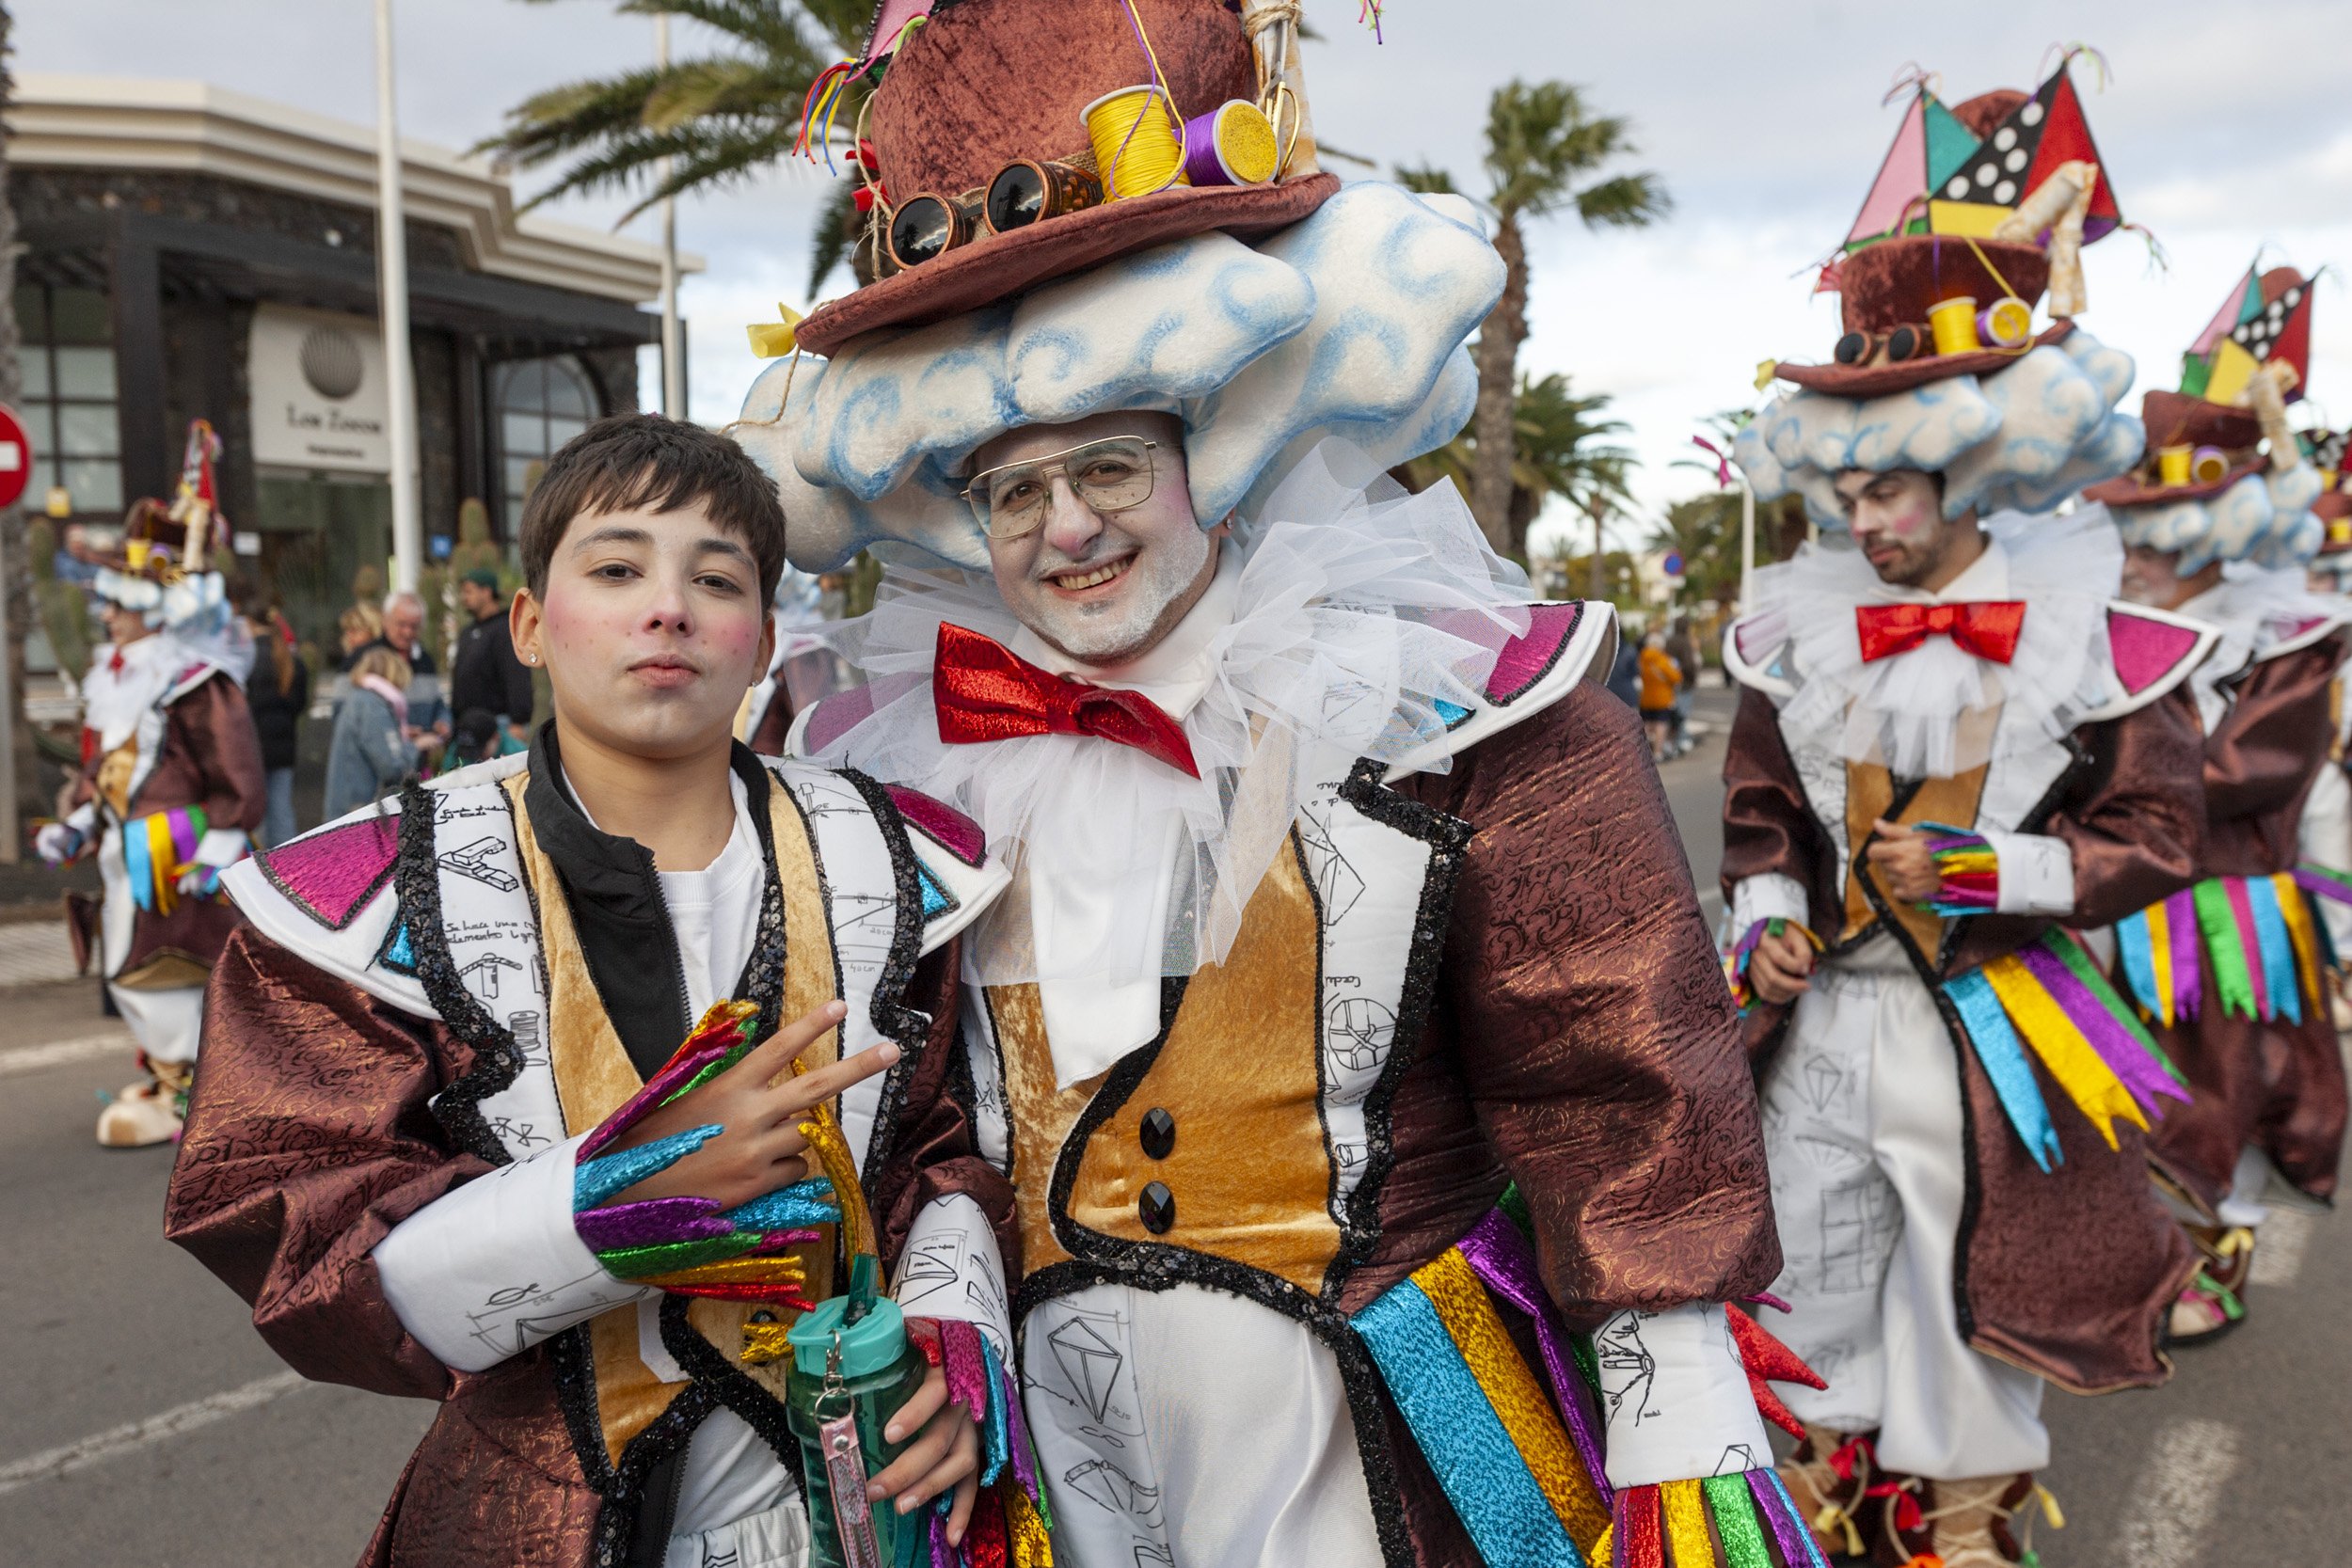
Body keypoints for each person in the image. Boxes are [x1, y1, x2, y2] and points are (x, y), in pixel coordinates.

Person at [752, 6, 1826, 1563]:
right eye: (1013, 490)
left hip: (1389, 1425)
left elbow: (1615, 1077)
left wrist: (1681, 1433)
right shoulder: (889, 765)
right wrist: (942, 1306)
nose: (1067, 530)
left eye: (1110, 467)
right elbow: (914, 1119)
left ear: (1223, 448)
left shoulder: (1467, 711)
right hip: (1060, 1442)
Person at [167, 414, 1029, 1567]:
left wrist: (954, 1335)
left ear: (763, 634)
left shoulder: (888, 861)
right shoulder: (378, 892)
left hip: (870, 1500)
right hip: (546, 1516)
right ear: (530, 622)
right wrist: (621, 1198)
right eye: (616, 567)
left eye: (712, 578)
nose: (664, 607)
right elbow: (293, 1239)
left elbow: (943, 1145)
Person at [1722, 64, 2212, 1565]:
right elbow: (1757, 811)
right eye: (1848, 485)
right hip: (1826, 1027)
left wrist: (1993, 863)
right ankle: (1823, 1513)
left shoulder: (2095, 631)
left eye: (1897, 485)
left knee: (1968, 1276)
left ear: (1975, 459)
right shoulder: (1786, 627)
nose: (1865, 522)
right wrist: (1773, 919)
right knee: (1809, 1266)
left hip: (1998, 1019)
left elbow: (2158, 836)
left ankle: (1967, 1523)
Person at [2089, 265, 2349, 1343]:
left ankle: (2218, 1249)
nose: (2136, 554)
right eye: (2132, 530)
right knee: (2127, 1085)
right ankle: (2158, 1257)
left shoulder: (2290, 640)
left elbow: (2252, 770)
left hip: (2225, 909)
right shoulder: (2103, 639)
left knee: (2227, 1082)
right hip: (2118, 896)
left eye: (2159, 532)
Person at [39, 421, 264, 1148]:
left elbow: (237, 774)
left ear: (151, 607)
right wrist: (76, 820)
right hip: (128, 857)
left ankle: (194, 1089)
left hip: (175, 858)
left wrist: (220, 842)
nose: (104, 616)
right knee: (133, 971)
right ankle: (173, 1075)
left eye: (116, 603)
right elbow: (108, 772)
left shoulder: (194, 680)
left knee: (171, 973)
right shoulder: (120, 683)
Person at [323, 645, 421, 817]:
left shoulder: (360, 699)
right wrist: (415, 746)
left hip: (347, 805)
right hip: (358, 811)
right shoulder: (371, 705)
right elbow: (392, 768)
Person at [243, 604, 310, 847]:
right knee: (281, 808)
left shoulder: (246, 660)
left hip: (253, 745)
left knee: (257, 810)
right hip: (284, 744)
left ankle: (258, 867)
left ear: (250, 623)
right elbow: (300, 703)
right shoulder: (292, 662)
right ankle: (287, 861)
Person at [450, 566, 535, 743]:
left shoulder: (505, 628)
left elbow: (516, 675)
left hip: (499, 726)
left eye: (469, 591)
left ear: (486, 591)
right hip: (468, 727)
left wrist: (518, 721)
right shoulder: (468, 632)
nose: (464, 597)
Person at [1638, 628, 1683, 760]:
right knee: (1661, 725)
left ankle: (1643, 752)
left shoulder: (1643, 658)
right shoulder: (1664, 660)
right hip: (1663, 698)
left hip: (1646, 697)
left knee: (1646, 725)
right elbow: (1676, 678)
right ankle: (1657, 752)